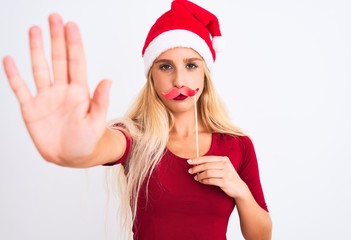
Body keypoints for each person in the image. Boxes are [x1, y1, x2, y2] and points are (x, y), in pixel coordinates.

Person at [2, 0, 272, 239]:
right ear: (151, 76)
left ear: (205, 73)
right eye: (165, 66)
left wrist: (240, 190)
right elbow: (101, 145)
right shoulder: (134, 136)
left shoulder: (238, 145)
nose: (179, 80)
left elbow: (261, 236)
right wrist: (75, 150)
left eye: (191, 65)